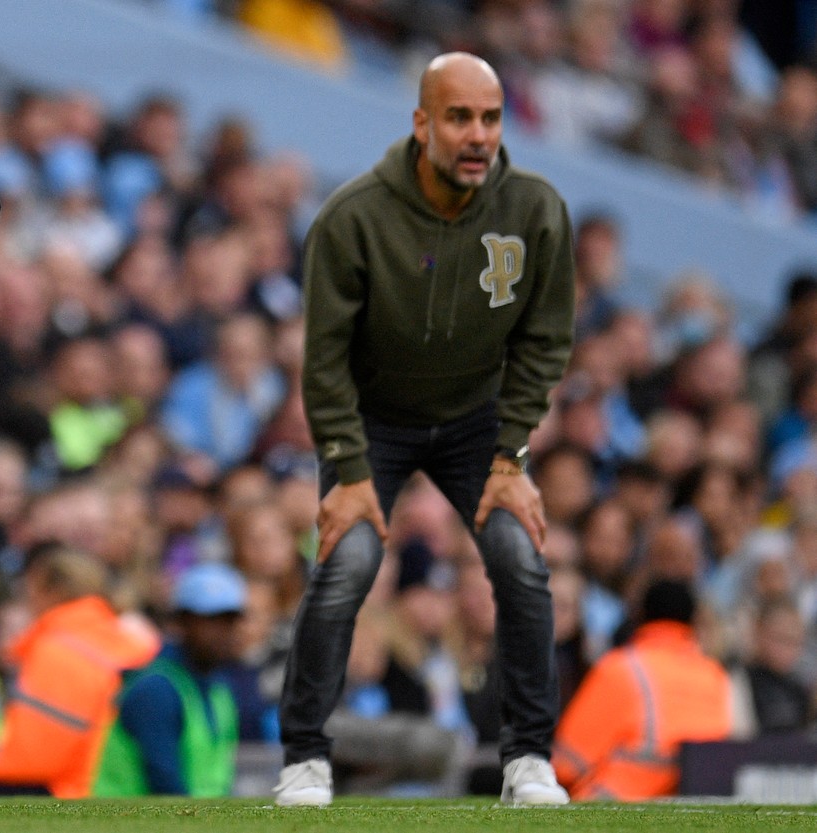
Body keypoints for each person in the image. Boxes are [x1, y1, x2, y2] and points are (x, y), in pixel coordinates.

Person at [274, 52, 575, 808]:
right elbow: (325, 359)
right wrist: (346, 470)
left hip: (478, 421)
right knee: (349, 563)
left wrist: (511, 453)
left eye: (491, 117)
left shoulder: (536, 209)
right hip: (375, 420)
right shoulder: (354, 215)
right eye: (460, 117)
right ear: (422, 123)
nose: (478, 135)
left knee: (521, 560)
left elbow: (544, 340)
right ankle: (305, 758)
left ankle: (529, 760)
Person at [0, 543, 158, 797]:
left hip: (76, 789)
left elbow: (39, 754)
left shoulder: (56, 650)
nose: (27, 598)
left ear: (52, 590)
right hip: (124, 786)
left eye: (29, 588)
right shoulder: (127, 638)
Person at [552, 580, 734, 800]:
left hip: (617, 804)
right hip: (695, 802)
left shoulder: (621, 668)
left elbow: (567, 764)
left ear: (640, 615)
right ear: (693, 620)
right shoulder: (714, 674)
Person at [93, 562, 246, 797]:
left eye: (229, 620)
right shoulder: (156, 690)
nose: (222, 632)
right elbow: (165, 788)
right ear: (181, 624)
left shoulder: (218, 690)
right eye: (209, 621)